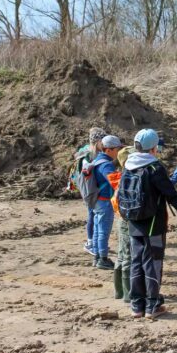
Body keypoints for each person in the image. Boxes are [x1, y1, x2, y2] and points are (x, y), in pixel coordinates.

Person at [123, 129, 177, 319]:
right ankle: (152, 306)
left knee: (136, 261)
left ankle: (136, 306)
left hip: (132, 221)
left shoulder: (128, 165)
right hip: (153, 224)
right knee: (152, 263)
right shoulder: (155, 168)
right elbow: (172, 195)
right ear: (153, 148)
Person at [91, 135, 123, 270]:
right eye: (117, 149)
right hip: (104, 202)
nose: (118, 152)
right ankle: (103, 259)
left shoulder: (97, 160)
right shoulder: (106, 164)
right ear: (108, 150)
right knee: (103, 231)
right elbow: (116, 183)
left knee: (98, 230)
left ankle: (97, 257)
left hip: (96, 200)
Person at [73, 127, 106, 256]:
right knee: (92, 214)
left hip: (94, 189)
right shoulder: (87, 156)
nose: (103, 143)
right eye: (102, 140)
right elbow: (86, 174)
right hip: (89, 191)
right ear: (96, 141)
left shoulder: (96, 154)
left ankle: (95, 242)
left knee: (94, 214)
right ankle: (90, 243)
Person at [112, 145, 134, 303]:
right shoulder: (128, 178)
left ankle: (119, 291)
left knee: (121, 255)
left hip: (121, 219)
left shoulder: (122, 177)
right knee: (127, 256)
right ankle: (127, 293)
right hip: (127, 220)